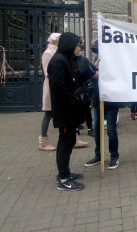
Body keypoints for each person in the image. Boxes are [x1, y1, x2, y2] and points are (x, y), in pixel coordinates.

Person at [48, 32, 88, 191]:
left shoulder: (67, 60)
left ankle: (66, 173)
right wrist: (73, 101)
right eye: (77, 45)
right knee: (65, 142)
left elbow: (74, 80)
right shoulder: (58, 61)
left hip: (70, 110)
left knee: (69, 140)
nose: (79, 48)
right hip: (65, 110)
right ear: (70, 45)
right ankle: (63, 179)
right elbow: (58, 87)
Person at [84, 40, 122, 169]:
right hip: (97, 99)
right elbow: (89, 75)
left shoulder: (115, 59)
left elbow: (119, 76)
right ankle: (98, 155)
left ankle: (114, 156)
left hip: (111, 100)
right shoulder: (97, 58)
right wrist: (94, 70)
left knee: (111, 130)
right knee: (96, 128)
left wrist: (103, 75)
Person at [39, 32, 61, 151]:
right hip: (51, 85)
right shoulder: (48, 53)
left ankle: (73, 137)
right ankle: (43, 142)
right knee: (48, 114)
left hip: (55, 84)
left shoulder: (56, 51)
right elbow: (48, 71)